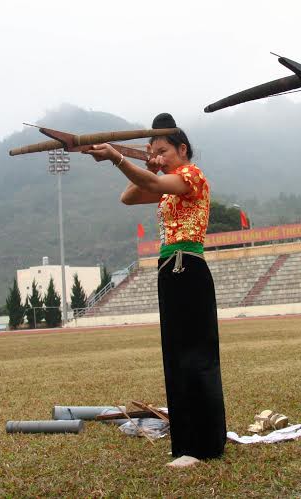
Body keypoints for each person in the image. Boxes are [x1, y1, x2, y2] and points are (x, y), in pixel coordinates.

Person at [84, 113, 226, 468]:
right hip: (169, 270)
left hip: (188, 267)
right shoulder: (166, 183)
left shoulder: (191, 176)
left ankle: (202, 444)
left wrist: (120, 158)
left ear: (182, 149)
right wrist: (147, 165)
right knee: (176, 357)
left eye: (163, 150)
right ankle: (187, 442)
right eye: (152, 150)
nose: (158, 156)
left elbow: (146, 180)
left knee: (195, 357)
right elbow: (129, 196)